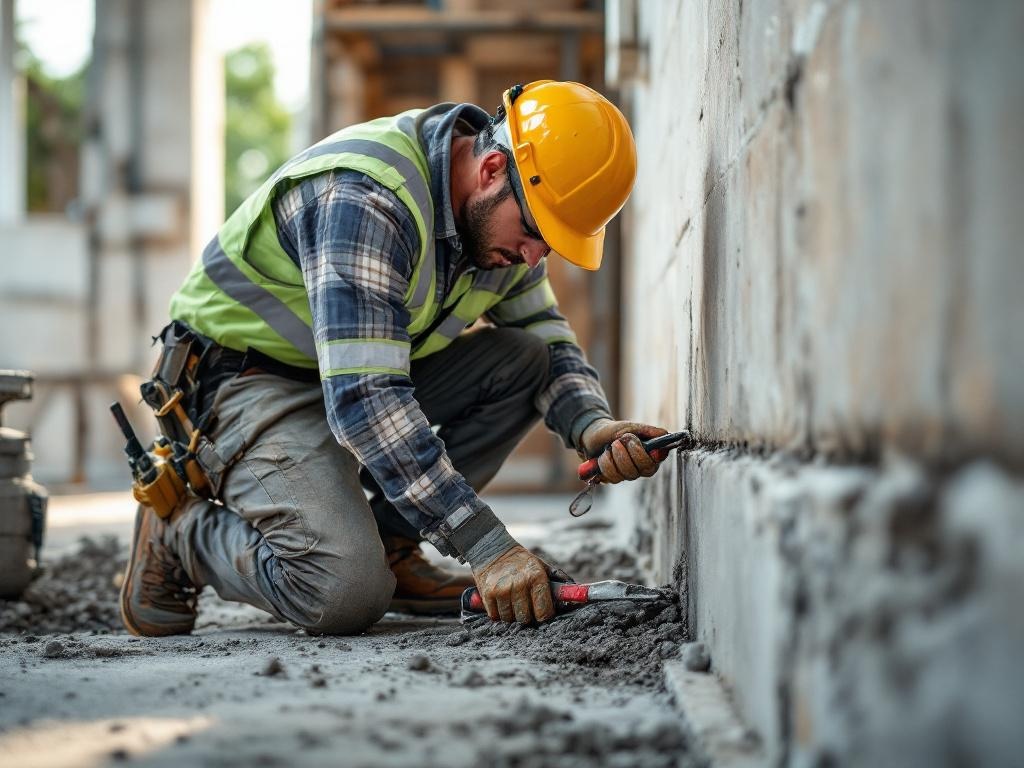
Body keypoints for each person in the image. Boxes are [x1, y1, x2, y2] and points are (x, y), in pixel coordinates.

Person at [120, 80, 669, 637]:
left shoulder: (498, 224)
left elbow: (543, 337)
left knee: (524, 359)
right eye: (535, 231)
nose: (533, 257)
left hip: (341, 379)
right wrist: (486, 545)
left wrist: (592, 425)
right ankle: (180, 533)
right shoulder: (366, 199)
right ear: (491, 169)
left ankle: (391, 547)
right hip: (243, 379)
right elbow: (365, 400)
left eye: (549, 244)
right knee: (342, 592)